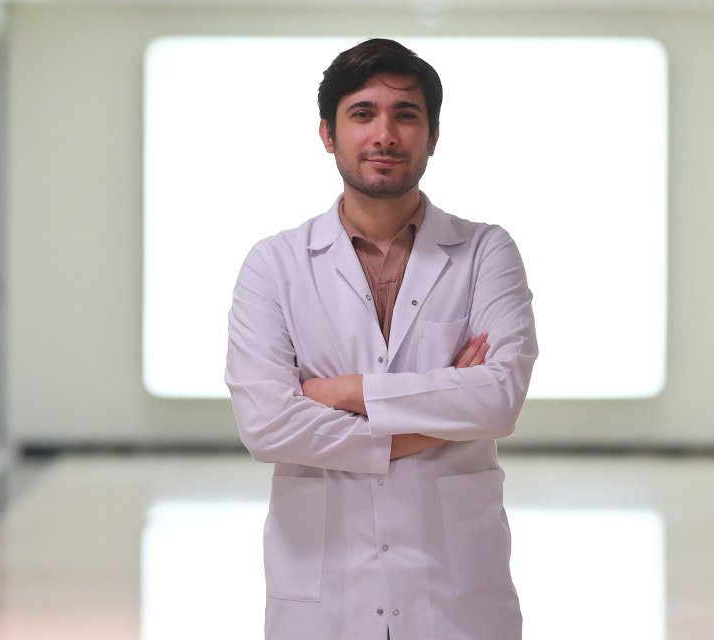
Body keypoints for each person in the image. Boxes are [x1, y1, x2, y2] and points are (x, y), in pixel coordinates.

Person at [224, 37, 538, 640]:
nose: (385, 135)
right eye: (363, 113)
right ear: (328, 133)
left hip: (453, 595)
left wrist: (343, 392)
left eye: (406, 114)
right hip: (324, 598)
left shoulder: (485, 252)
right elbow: (267, 425)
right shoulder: (274, 264)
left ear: (434, 135)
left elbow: (498, 400)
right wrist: (436, 417)